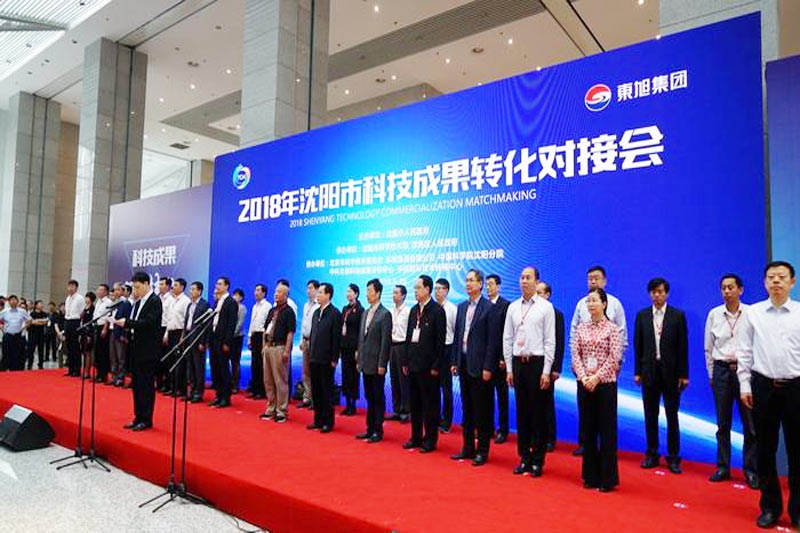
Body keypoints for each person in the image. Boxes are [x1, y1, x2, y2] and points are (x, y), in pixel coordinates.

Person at [738, 261, 800, 529]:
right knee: (765, 449)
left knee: (798, 451)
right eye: (771, 277)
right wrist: (744, 385)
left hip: (796, 387)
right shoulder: (753, 313)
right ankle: (770, 507)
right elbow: (744, 351)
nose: (776, 281)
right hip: (763, 387)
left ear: (792, 282)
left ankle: (797, 510)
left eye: (782, 277)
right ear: (764, 282)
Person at [704, 273, 758, 488]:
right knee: (722, 423)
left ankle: (751, 470)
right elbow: (708, 347)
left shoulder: (752, 313)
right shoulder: (714, 314)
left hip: (746, 371)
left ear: (740, 290)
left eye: (731, 287)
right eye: (723, 288)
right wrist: (711, 374)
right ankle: (723, 467)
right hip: (722, 371)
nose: (727, 291)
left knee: (750, 425)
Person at [503, 266, 555, 477]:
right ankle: (524, 457)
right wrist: (509, 368)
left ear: (537, 281)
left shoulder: (546, 307)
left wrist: (546, 371)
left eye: (528, 277)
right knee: (522, 412)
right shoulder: (513, 307)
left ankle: (538, 460)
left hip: (537, 364)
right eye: (522, 277)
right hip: (518, 363)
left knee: (538, 413)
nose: (524, 281)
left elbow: (550, 340)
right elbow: (507, 338)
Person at [569, 266, 628, 456]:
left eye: (596, 278)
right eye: (590, 278)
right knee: (586, 418)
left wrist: (615, 365)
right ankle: (586, 452)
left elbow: (620, 340)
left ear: (605, 281)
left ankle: (606, 461)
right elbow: (574, 341)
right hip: (584, 376)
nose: (592, 281)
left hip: (605, 377)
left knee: (606, 423)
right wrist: (582, 374)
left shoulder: (615, 306)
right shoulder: (581, 305)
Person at [634, 277, 689, 474]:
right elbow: (638, 346)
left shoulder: (677, 315)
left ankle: (673, 457)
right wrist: (638, 372)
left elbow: (683, 347)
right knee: (650, 415)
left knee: (672, 416)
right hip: (649, 372)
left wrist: (683, 374)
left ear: (667, 293)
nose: (657, 295)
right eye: (654, 292)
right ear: (650, 294)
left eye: (660, 292)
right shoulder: (642, 316)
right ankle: (652, 453)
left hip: (671, 374)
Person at [572, 288, 623, 492]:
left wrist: (596, 377)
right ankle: (590, 475)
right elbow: (575, 354)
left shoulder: (613, 329)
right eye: (588, 301)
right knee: (588, 430)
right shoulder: (581, 328)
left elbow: (614, 358)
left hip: (605, 385)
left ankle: (607, 478)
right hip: (585, 384)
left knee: (607, 431)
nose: (591, 304)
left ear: (604, 304)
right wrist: (584, 376)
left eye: (594, 300)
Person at [450, 269, 494, 466]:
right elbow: (458, 336)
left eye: (471, 280)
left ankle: (482, 451)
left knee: (481, 411)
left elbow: (492, 341)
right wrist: (454, 361)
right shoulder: (461, 307)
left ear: (480, 284)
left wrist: (488, 367)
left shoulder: (488, 308)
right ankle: (468, 447)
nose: (467, 284)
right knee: (467, 409)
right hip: (464, 364)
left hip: (481, 367)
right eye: (466, 280)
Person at [402, 275, 447, 453]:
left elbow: (440, 342)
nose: (415, 291)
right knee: (415, 404)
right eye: (414, 288)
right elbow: (408, 336)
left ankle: (430, 439)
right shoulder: (414, 310)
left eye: (418, 288)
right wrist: (405, 360)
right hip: (413, 364)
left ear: (427, 289)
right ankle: (416, 437)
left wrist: (436, 365)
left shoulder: (437, 311)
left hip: (429, 368)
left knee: (430, 405)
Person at [117, 271, 163, 431]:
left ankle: (146, 419)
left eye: (137, 287)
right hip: (136, 348)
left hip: (148, 350)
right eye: (134, 287)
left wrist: (127, 323)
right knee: (137, 385)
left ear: (146, 284)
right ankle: (138, 416)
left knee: (146, 386)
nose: (135, 290)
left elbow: (149, 323)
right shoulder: (138, 302)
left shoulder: (155, 301)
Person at [356, 278, 392, 443]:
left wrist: (382, 364)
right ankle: (369, 428)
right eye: (367, 290)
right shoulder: (365, 312)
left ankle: (378, 429)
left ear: (378, 293)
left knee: (377, 396)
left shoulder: (384, 314)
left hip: (377, 363)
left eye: (370, 291)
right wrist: (359, 358)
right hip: (365, 362)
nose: (367, 294)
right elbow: (361, 338)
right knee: (369, 396)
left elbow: (385, 341)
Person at [307, 282, 342, 433]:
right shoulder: (316, 313)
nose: (318, 295)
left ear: (328, 295)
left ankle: (328, 421)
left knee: (326, 390)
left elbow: (336, 338)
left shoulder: (335, 314)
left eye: (321, 292)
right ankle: (318, 419)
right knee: (316, 390)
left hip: (327, 359)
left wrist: (334, 358)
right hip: (314, 357)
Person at [259, 281, 295, 423]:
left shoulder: (289, 312)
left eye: (279, 292)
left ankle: (281, 410)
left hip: (280, 347)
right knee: (268, 380)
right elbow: (265, 329)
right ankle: (271, 408)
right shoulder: (272, 311)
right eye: (275, 292)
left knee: (280, 380)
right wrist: (264, 346)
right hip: (268, 347)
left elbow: (290, 333)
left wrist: (287, 350)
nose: (276, 294)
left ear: (286, 295)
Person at [536, 281, 565, 452]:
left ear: (548, 295)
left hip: (549, 366)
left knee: (547, 403)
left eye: (540, 292)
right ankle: (536, 437)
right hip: (533, 365)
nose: (538, 295)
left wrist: (556, 368)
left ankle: (549, 439)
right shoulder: (531, 312)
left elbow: (559, 342)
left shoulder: (556, 314)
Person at [487, 274, 511, 443]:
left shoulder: (505, 305)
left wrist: (504, 357)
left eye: (491, 284)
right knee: (486, 396)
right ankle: (487, 428)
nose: (488, 287)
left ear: (498, 287)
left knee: (502, 397)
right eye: (487, 284)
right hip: (486, 360)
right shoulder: (484, 305)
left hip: (500, 360)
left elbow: (507, 333)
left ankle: (503, 430)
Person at [209, 277, 238, 408]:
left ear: (226, 286)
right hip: (214, 338)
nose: (217, 286)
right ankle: (218, 394)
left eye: (220, 284)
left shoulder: (231, 302)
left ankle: (225, 397)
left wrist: (227, 342)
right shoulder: (217, 301)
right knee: (215, 368)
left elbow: (231, 324)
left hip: (223, 340)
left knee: (223, 368)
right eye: (217, 283)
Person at [434, 278, 457, 433]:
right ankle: (435, 418)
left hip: (447, 350)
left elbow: (456, 333)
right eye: (435, 289)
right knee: (433, 388)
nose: (437, 291)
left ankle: (447, 421)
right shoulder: (432, 308)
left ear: (447, 290)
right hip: (433, 351)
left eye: (440, 288)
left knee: (446, 388)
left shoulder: (452, 309)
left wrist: (454, 359)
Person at [183, 281, 211, 403]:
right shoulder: (190, 304)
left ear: (199, 291)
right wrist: (183, 336)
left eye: (193, 289)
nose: (191, 291)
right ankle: (192, 390)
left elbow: (206, 326)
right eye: (190, 289)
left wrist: (203, 342)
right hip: (188, 337)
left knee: (198, 366)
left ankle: (199, 392)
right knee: (191, 366)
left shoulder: (204, 305)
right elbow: (187, 322)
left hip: (198, 339)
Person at [164, 279, 191, 395]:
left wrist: (183, 336)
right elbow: (169, 319)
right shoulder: (173, 301)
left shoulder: (186, 301)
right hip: (171, 332)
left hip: (180, 333)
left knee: (180, 362)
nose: (173, 287)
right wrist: (166, 334)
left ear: (182, 287)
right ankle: (172, 387)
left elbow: (186, 320)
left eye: (175, 285)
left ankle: (181, 389)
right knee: (171, 361)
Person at [389, 284, 411, 423]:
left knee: (404, 380)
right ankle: (396, 409)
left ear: (403, 295)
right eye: (393, 293)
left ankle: (406, 410)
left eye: (396, 293)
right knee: (394, 380)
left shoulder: (408, 311)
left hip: (403, 346)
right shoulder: (391, 311)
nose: (394, 295)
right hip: (392, 346)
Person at [340, 283, 363, 416]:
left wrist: (358, 349)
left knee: (354, 376)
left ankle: (353, 404)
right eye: (347, 291)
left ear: (356, 294)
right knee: (345, 375)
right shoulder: (344, 309)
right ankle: (347, 402)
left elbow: (360, 331)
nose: (348, 294)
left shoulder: (360, 309)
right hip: (344, 347)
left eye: (350, 292)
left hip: (354, 348)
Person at [247, 284, 272, 400]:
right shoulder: (254, 306)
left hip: (262, 335)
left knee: (261, 363)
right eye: (255, 290)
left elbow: (267, 324)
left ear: (264, 293)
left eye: (258, 290)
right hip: (254, 335)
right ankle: (255, 388)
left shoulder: (267, 306)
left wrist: (265, 340)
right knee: (254, 363)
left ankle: (262, 390)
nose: (255, 292)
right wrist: (249, 337)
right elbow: (252, 323)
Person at [298, 280, 320, 409]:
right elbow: (304, 324)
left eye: (311, 288)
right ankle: (307, 397)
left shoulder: (319, 305)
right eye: (307, 288)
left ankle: (315, 399)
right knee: (305, 371)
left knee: (314, 371)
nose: (308, 291)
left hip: (314, 341)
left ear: (317, 290)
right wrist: (301, 340)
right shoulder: (306, 305)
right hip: (305, 340)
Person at [109, 282, 132, 387]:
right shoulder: (115, 303)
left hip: (120, 333)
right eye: (115, 290)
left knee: (121, 357)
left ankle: (120, 378)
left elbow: (127, 319)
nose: (116, 292)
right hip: (113, 331)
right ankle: (114, 376)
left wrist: (124, 334)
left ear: (123, 291)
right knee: (113, 356)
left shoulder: (126, 303)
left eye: (118, 290)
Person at [0, 295, 32, 371]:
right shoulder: (4, 311)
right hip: (8, 336)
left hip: (18, 336)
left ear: (17, 302)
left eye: (15, 300)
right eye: (11, 300)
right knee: (6, 354)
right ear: (8, 302)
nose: (13, 301)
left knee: (16, 355)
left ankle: (14, 371)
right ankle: (3, 371)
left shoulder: (22, 311)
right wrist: (2, 328)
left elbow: (30, 320)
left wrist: (24, 327)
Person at [64, 280, 85, 377]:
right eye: (69, 286)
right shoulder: (68, 298)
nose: (70, 288)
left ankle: (77, 370)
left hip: (75, 322)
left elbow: (82, 313)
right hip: (67, 321)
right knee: (68, 346)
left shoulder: (80, 298)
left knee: (75, 347)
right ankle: (71, 368)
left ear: (76, 288)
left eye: (72, 286)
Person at [93, 284, 113, 383]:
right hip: (97, 326)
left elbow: (108, 317)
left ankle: (103, 375)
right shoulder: (98, 302)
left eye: (101, 290)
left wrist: (105, 329)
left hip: (103, 327)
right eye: (98, 289)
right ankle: (98, 374)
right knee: (97, 352)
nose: (98, 291)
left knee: (103, 352)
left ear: (105, 292)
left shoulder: (108, 302)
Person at [156, 277, 174, 393]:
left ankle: (167, 384)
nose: (160, 286)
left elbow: (169, 318)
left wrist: (166, 333)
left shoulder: (171, 300)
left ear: (167, 286)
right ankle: (158, 383)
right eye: (159, 284)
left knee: (166, 359)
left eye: (162, 284)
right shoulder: (158, 298)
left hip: (166, 329)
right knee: (157, 358)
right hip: (157, 329)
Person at [230, 288, 248, 394]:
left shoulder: (242, 308)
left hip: (237, 337)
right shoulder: (231, 307)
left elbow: (240, 323)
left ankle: (235, 385)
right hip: (229, 337)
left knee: (235, 361)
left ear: (241, 298)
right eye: (234, 295)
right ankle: (229, 383)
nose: (235, 297)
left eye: (237, 295)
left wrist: (231, 334)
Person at [26, 300, 48, 370]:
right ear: (36, 305)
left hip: (41, 334)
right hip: (32, 334)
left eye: (42, 304)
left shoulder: (44, 313)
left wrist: (37, 321)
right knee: (31, 350)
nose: (42, 305)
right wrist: (41, 321)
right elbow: (31, 322)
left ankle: (41, 365)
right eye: (40, 304)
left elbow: (45, 322)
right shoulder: (32, 313)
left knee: (41, 350)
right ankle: (30, 365)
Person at [80, 292, 97, 379]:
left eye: (88, 297)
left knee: (88, 352)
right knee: (83, 352)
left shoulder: (93, 309)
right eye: (85, 297)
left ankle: (87, 372)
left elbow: (91, 322)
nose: (86, 299)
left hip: (89, 332)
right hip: (83, 332)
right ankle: (84, 370)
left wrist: (89, 335)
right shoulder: (85, 308)